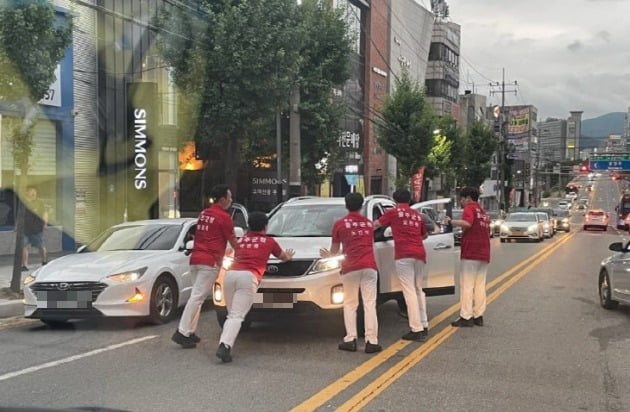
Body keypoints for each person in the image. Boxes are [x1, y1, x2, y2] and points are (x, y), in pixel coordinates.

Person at [216, 212, 294, 362]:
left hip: (230, 275)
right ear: (265, 226)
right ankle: (224, 346)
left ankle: (225, 343)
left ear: (249, 226)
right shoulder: (269, 241)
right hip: (248, 277)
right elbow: (283, 257)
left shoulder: (241, 241)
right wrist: (289, 256)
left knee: (232, 314)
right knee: (237, 315)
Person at [172, 184, 238, 348]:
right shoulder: (224, 217)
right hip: (210, 262)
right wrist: (244, 255)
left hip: (196, 259)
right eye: (229, 197)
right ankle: (182, 332)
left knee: (197, 296)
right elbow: (233, 241)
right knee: (197, 297)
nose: (231, 200)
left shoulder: (204, 214)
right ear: (222, 199)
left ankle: (189, 332)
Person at [320, 192, 382, 354]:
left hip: (350, 268)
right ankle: (372, 341)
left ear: (346, 205)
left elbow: (334, 250)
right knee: (369, 304)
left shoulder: (340, 224)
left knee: (350, 304)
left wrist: (329, 255)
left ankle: (350, 339)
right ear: (361, 205)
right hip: (369, 266)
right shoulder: (368, 224)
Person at [373, 189, 429, 342]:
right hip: (420, 254)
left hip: (404, 255)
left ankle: (416, 329)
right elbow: (425, 235)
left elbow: (376, 225)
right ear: (410, 199)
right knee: (418, 290)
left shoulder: (393, 212)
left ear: (395, 200)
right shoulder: (417, 215)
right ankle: (424, 324)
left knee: (409, 291)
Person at [445, 186, 491, 327]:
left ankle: (466, 316)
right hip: (484, 253)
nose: (461, 202)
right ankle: (478, 315)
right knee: (479, 285)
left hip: (471, 252)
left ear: (468, 198)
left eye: (462, 199)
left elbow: (467, 223)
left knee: (467, 285)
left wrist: (450, 222)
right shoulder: (483, 212)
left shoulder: (469, 208)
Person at [22, 187, 48, 271]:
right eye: (31, 191)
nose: (33, 193)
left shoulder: (39, 202)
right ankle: (24, 265)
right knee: (23, 246)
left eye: (34, 191)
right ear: (27, 192)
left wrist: (45, 222)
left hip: (37, 227)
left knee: (40, 246)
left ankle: (44, 261)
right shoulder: (23, 202)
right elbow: (19, 215)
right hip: (25, 228)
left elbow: (44, 212)